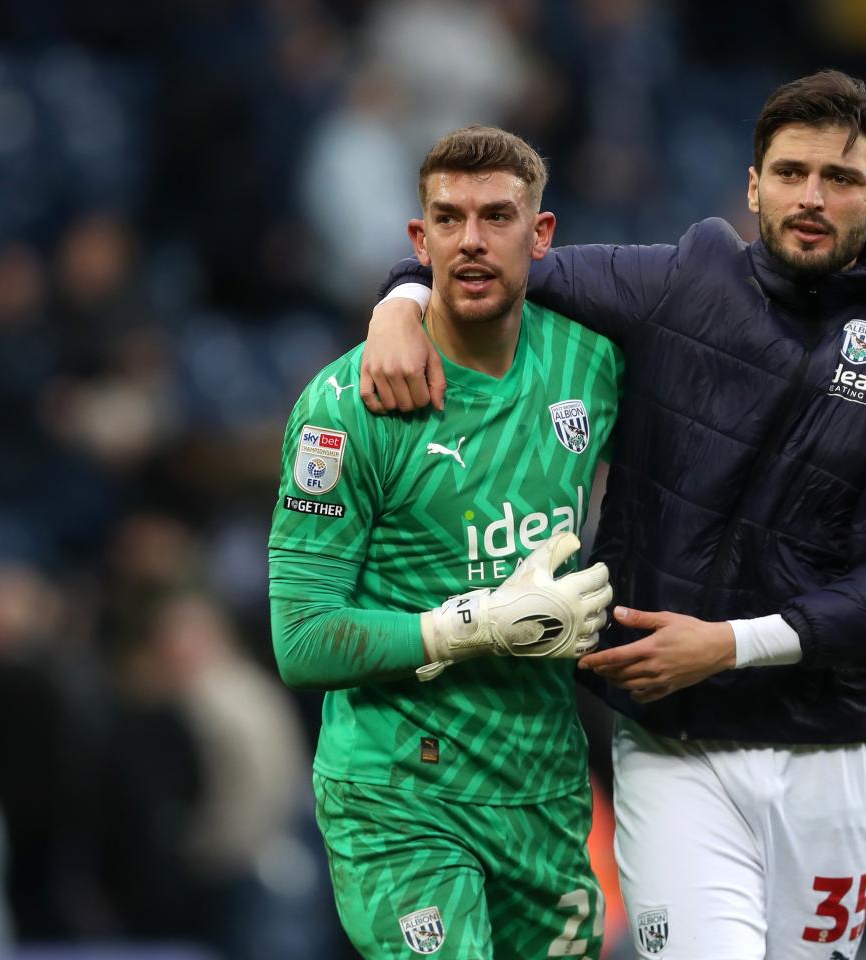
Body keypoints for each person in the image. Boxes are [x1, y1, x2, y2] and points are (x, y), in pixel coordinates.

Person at [363, 70, 866, 960]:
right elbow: (486, 261)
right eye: (791, 172)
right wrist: (401, 302)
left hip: (830, 759)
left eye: (839, 180)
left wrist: (725, 644)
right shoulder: (685, 280)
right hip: (671, 746)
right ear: (753, 183)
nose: (812, 196)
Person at [268, 126, 622, 960]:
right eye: (449, 218)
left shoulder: (593, 362)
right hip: (402, 794)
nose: (471, 239)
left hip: (543, 786)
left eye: (497, 216)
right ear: (418, 241)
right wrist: (470, 625)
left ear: (541, 236)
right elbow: (301, 638)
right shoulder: (347, 408)